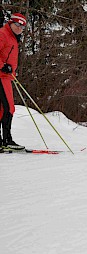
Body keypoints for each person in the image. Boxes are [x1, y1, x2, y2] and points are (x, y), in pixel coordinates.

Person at [0, 13, 27, 151]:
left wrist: (12, 72)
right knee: (9, 108)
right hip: (1, 76)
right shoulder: (3, 34)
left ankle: (3, 140)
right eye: (17, 25)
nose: (19, 28)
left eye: (22, 27)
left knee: (2, 109)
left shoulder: (13, 38)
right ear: (10, 23)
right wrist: (3, 66)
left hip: (6, 76)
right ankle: (6, 140)